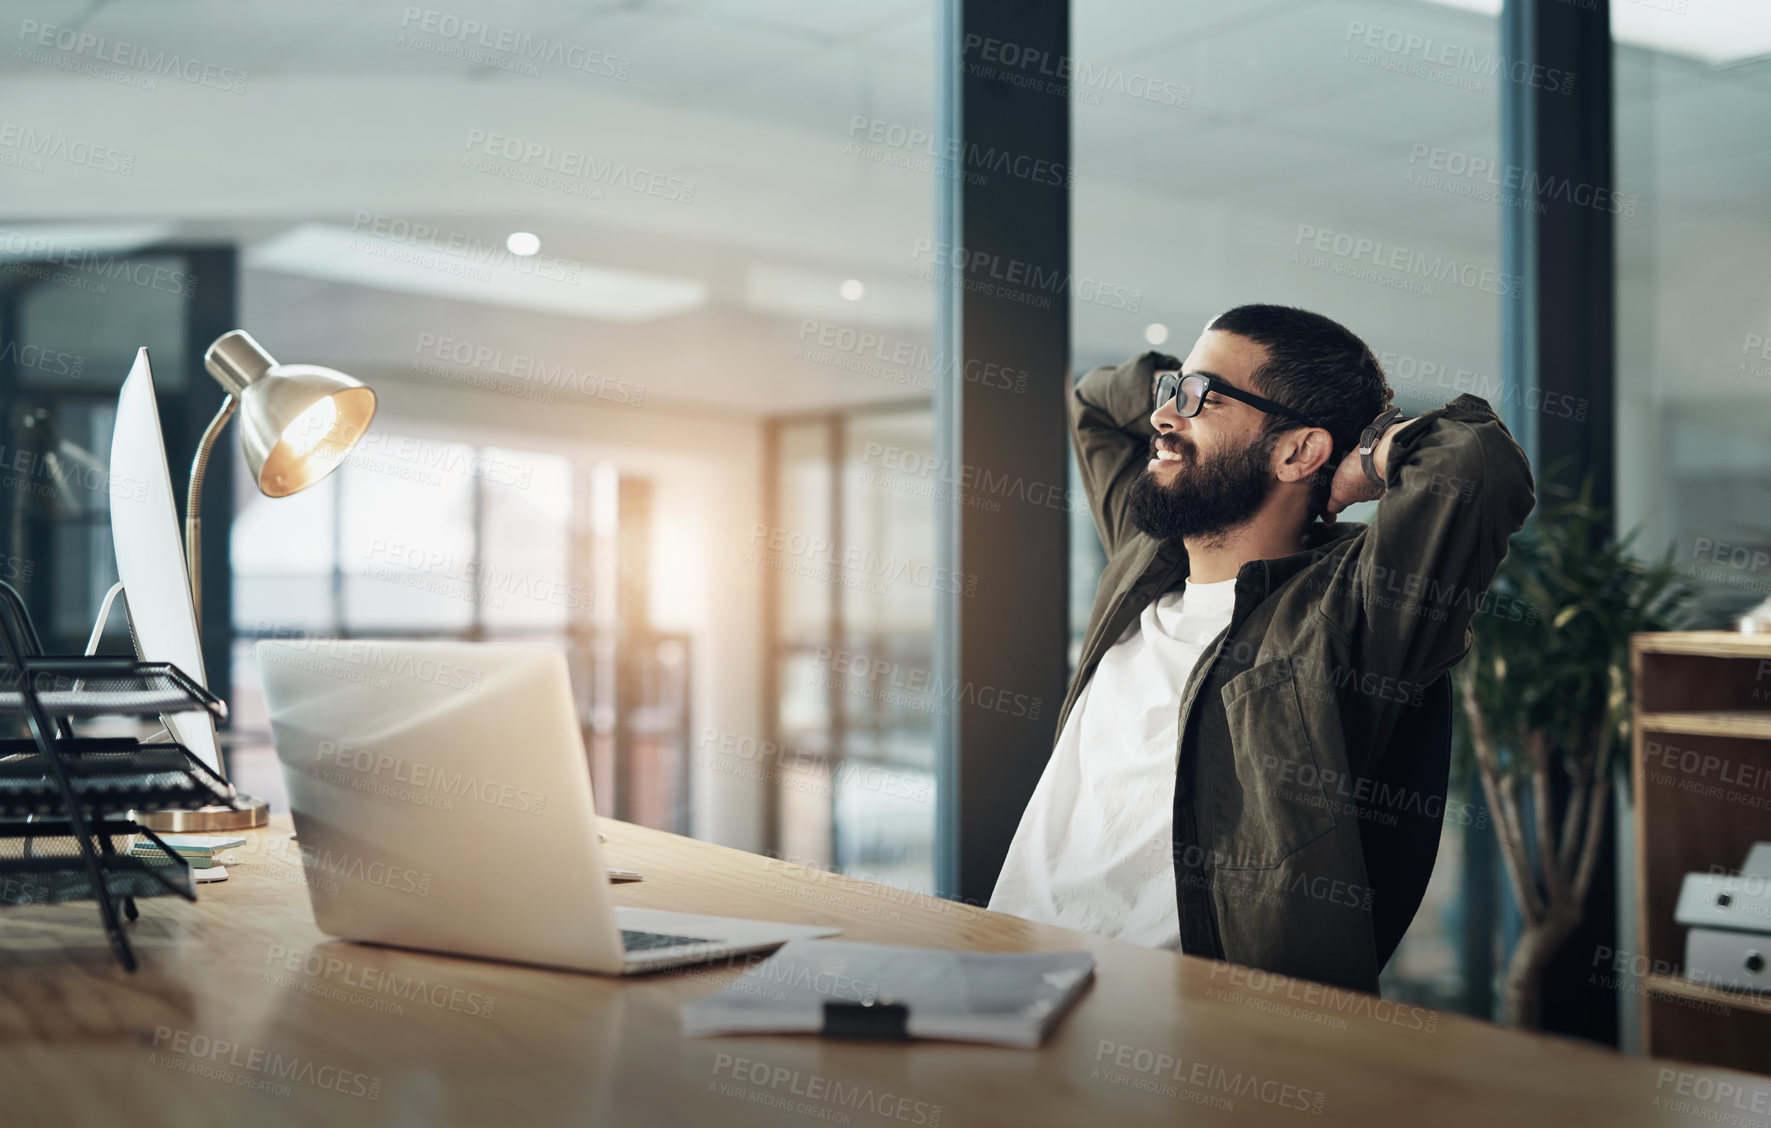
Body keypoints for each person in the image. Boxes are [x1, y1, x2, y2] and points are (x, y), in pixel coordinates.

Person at [989, 304, 1536, 993]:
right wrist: (1185, 386)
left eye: (1198, 400)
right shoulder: (1142, 562)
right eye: (1169, 395)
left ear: (1297, 452)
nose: (1162, 417)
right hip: (1007, 983)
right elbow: (1095, 401)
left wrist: (1362, 460)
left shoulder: (1348, 618)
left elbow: (1478, 463)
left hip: (1192, 1038)